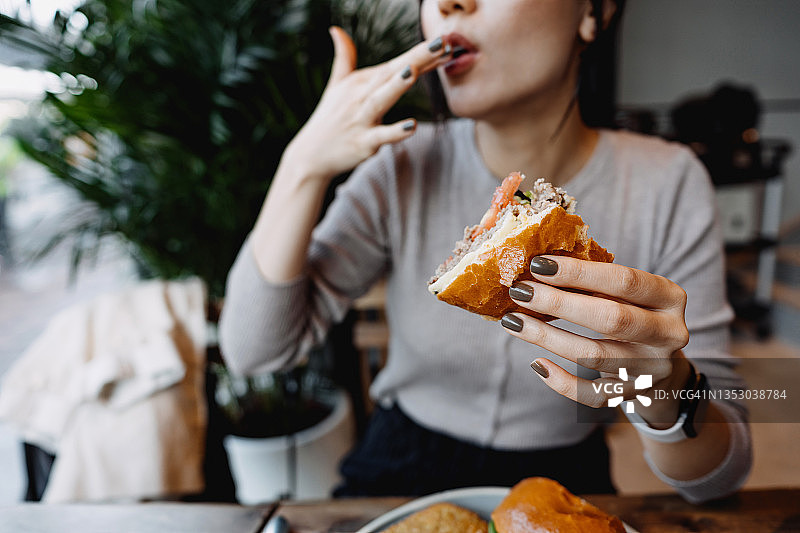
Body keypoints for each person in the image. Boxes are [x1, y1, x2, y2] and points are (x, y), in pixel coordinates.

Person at [219, 0, 751, 503]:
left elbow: (718, 480)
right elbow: (255, 351)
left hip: (565, 478)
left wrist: (665, 392)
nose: (448, 4)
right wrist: (302, 166)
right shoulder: (400, 166)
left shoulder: (669, 182)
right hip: (395, 466)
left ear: (593, 12)